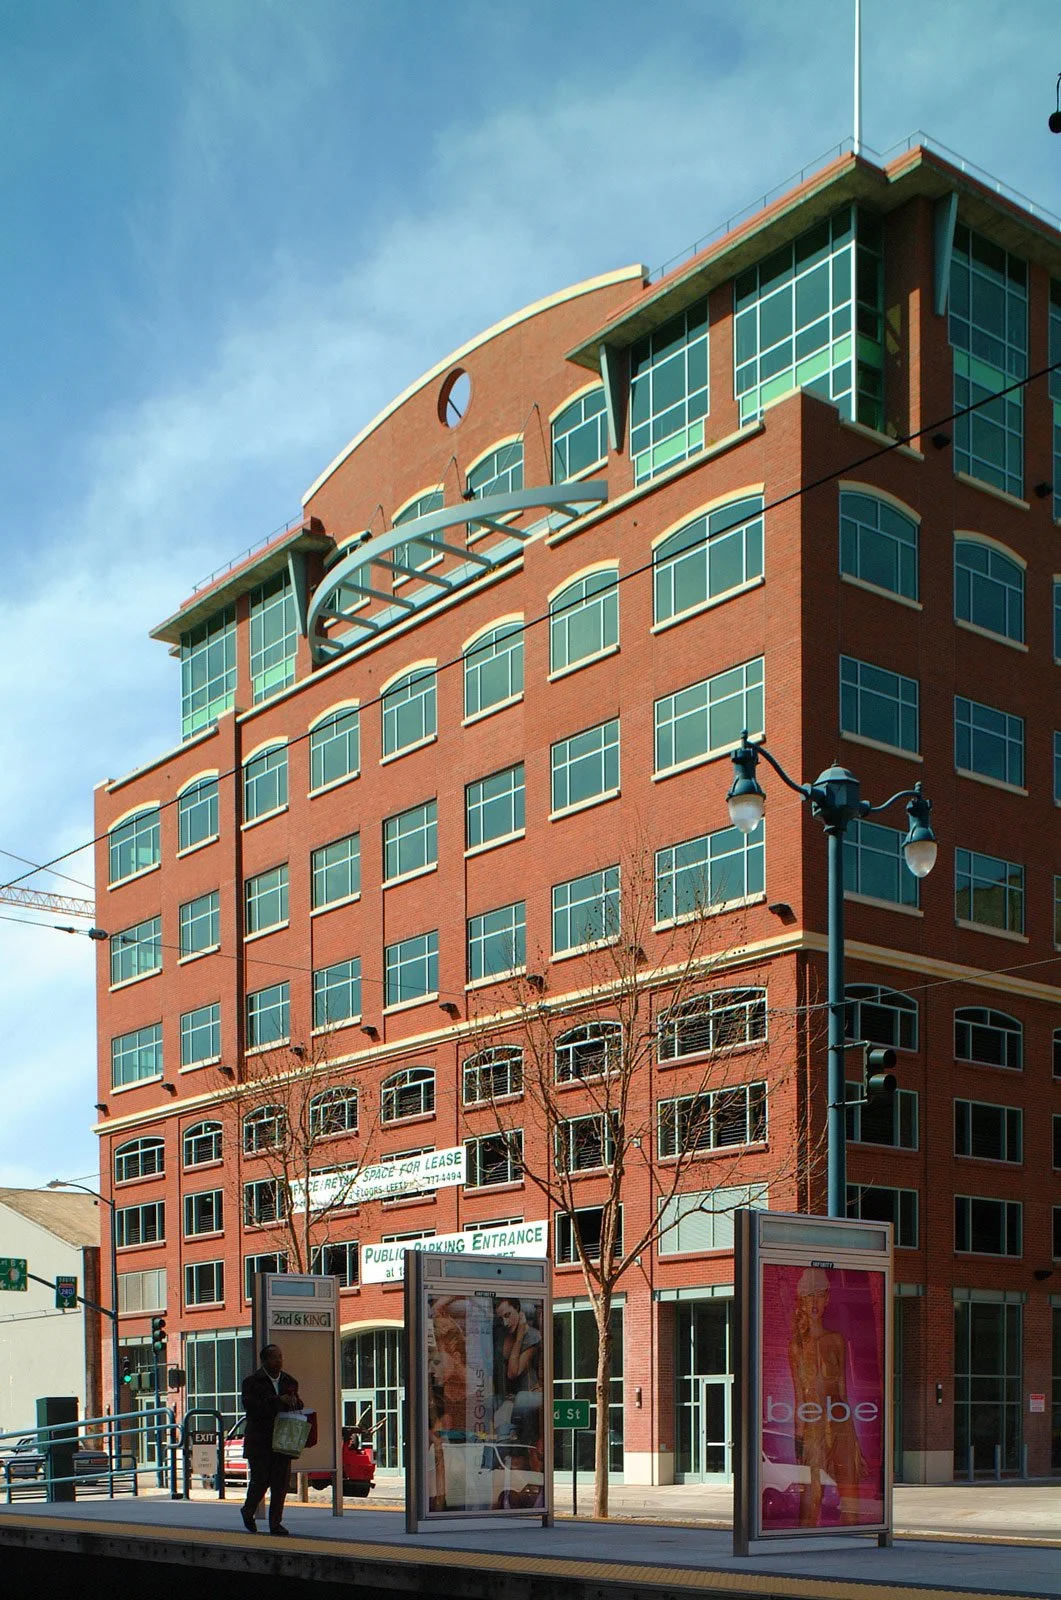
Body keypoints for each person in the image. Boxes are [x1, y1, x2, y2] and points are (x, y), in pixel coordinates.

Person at [787, 1268, 867, 1526]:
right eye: (809, 1297)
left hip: (840, 1418)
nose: (814, 1303)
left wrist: (850, 1432)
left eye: (820, 1296)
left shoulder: (837, 1340)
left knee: (849, 1485)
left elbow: (843, 1388)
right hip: (813, 1422)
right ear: (801, 1301)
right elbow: (799, 1392)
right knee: (812, 1490)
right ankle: (804, 1533)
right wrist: (799, 1435)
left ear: (827, 1299)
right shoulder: (797, 1345)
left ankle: (852, 1533)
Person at [240, 1342, 303, 1536]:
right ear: (265, 1360)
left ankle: (276, 1524)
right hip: (260, 1440)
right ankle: (248, 1510)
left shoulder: (289, 1381)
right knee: (260, 1480)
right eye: (275, 1357)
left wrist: (294, 1402)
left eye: (281, 1357)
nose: (279, 1361)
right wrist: (278, 1401)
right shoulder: (252, 1382)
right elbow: (252, 1408)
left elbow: (299, 1403)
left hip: (283, 1440)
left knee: (280, 1483)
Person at [495, 1298, 542, 1460]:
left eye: (508, 1315)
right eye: (501, 1318)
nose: (506, 1322)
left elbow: (513, 1372)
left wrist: (520, 1335)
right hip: (508, 1398)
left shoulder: (531, 1336)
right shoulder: (502, 1335)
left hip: (527, 1396)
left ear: (518, 1310)